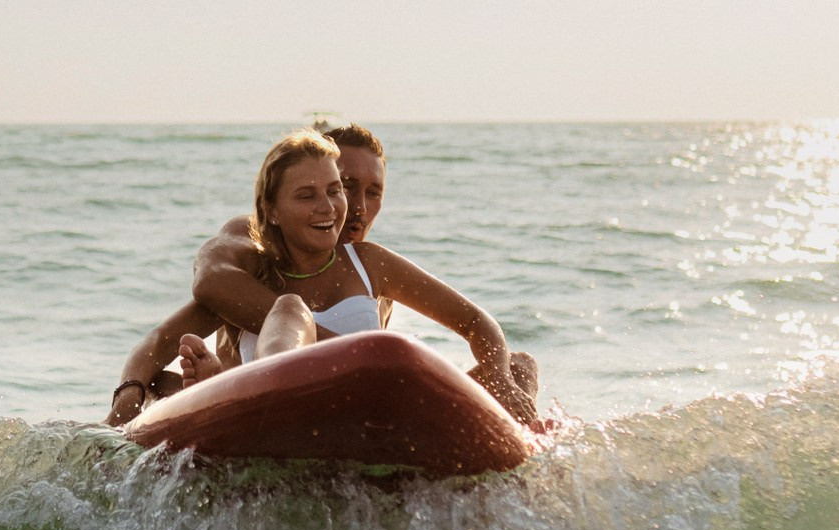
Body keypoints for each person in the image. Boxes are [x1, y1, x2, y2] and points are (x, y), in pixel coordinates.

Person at [104, 126, 540, 425]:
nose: (341, 205)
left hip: (368, 412)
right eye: (319, 191)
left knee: (521, 367)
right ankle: (235, 386)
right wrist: (125, 403)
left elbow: (476, 322)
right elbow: (166, 334)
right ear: (273, 210)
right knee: (291, 309)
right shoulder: (254, 265)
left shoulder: (369, 263)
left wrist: (498, 378)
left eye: (338, 191)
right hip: (284, 409)